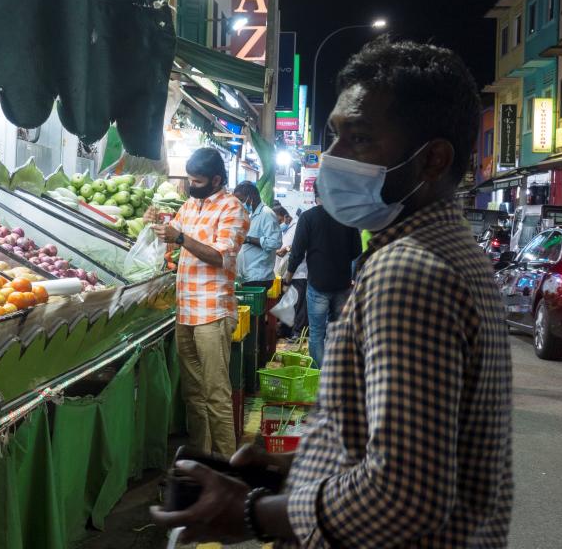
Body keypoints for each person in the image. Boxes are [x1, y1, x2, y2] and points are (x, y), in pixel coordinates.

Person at [151, 38, 513, 547]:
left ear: (432, 160)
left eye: (360, 138)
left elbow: (404, 494)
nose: (333, 157)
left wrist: (253, 511)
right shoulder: (453, 252)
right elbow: (400, 449)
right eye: (334, 135)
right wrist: (291, 469)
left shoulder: (409, 270)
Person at [143, 148, 249, 457]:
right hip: (185, 311)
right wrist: (158, 222)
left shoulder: (233, 209)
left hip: (212, 313)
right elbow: (174, 232)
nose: (191, 184)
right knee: (193, 393)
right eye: (189, 179)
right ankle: (201, 462)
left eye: (197, 180)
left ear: (216, 179)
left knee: (216, 392)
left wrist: (180, 238)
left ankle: (228, 466)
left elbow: (220, 256)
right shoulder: (189, 206)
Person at [283, 182, 361, 367]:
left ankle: (320, 376)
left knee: (317, 333)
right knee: (336, 331)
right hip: (342, 285)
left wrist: (288, 275)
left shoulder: (308, 217)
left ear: (314, 194)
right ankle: (336, 373)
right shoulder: (347, 218)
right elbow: (356, 250)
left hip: (318, 284)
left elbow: (297, 251)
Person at [232, 181, 282, 292]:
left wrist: (249, 239)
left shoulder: (267, 214)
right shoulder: (250, 215)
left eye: (240, 200)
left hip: (260, 278)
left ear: (251, 197)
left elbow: (275, 242)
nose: (238, 204)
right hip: (247, 277)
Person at [274, 206, 308, 341]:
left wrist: (287, 248)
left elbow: (300, 245)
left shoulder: (297, 226)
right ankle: (287, 331)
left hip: (299, 272)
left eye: (279, 220)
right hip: (287, 272)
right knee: (288, 303)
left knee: (298, 304)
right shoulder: (287, 228)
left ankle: (298, 333)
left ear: (286, 216)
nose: (279, 223)